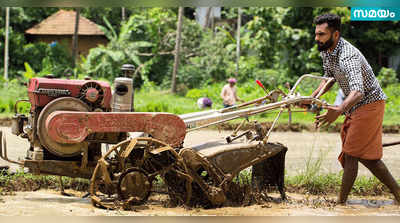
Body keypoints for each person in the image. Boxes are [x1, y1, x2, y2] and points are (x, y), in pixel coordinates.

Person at [307, 13, 400, 204]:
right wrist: (312, 98)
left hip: (369, 104)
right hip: (355, 106)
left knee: (351, 155)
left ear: (335, 35)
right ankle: (399, 195)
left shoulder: (347, 55)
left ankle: (341, 204)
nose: (317, 38)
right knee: (368, 158)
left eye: (321, 34)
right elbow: (329, 78)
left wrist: (338, 109)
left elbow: (358, 91)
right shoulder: (326, 51)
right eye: (316, 34)